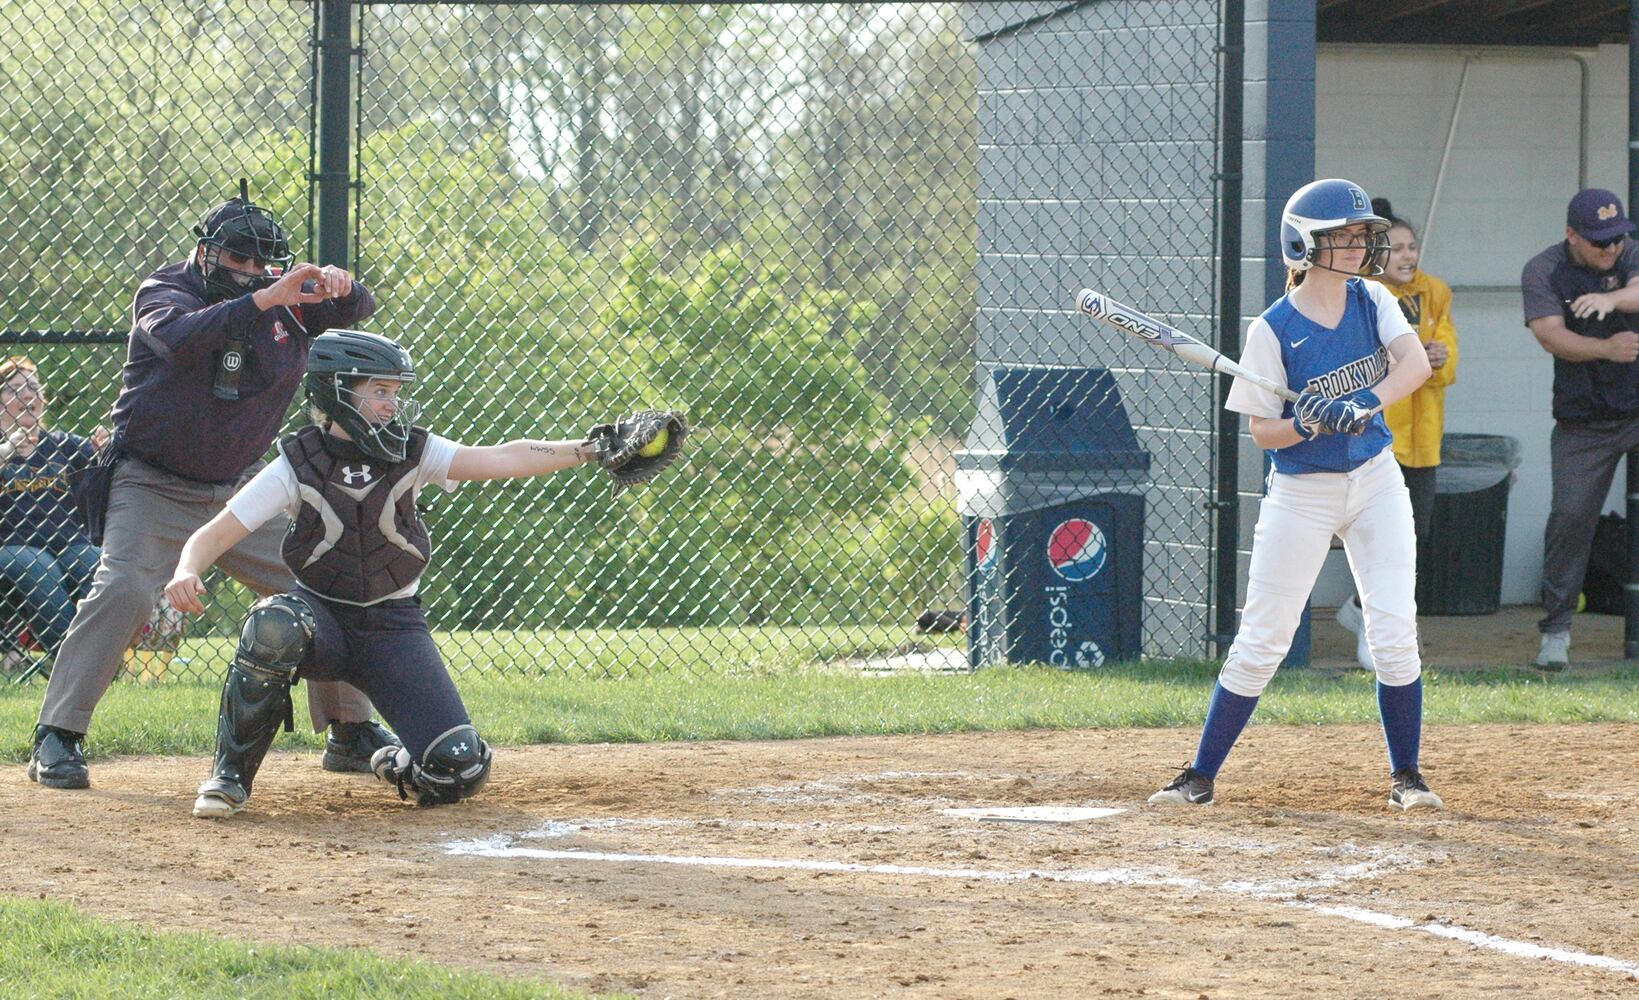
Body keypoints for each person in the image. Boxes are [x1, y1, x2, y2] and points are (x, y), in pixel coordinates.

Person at [28, 182, 398, 790]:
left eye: (262, 262)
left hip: (241, 488)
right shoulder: (167, 290)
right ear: (206, 253)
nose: (252, 272)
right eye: (237, 259)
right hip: (152, 483)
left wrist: (340, 282)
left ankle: (349, 730)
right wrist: (267, 298)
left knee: (334, 576)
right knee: (123, 586)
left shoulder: (282, 302)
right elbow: (178, 337)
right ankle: (57, 736)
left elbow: (359, 309)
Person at [164, 330, 608, 817]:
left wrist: (588, 449)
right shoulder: (298, 462)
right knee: (274, 624)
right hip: (323, 622)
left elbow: (505, 455)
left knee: (459, 766)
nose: (392, 404)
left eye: (395, 392)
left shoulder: (416, 451)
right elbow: (214, 533)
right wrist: (187, 568)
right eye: (379, 391)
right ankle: (228, 779)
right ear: (337, 391)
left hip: (394, 629)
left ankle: (398, 765)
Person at [1148, 178, 1440, 811]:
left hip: (1375, 480)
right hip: (1302, 492)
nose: (1362, 244)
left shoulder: (1374, 300)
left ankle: (1407, 777)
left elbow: (1414, 367)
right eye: (1347, 236)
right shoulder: (1272, 329)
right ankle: (1199, 775)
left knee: (1394, 627)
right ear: (1307, 246)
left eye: (1363, 234)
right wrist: (1307, 421)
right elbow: (1263, 432)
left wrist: (1362, 402)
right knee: (1265, 636)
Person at [1336, 199, 1460, 670]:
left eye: (1413, 247)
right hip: (1378, 436)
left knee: (1414, 536)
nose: (1407, 256)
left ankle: (1370, 615)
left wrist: (1439, 361)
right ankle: (1377, 629)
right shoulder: (1364, 295)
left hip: (1422, 439)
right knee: (1372, 537)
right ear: (1376, 254)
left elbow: (1448, 356)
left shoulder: (1436, 293)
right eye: (1397, 248)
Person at [1522, 188, 1639, 671]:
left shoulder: (1629, 249)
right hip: (1584, 418)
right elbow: (1550, 334)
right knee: (1570, 520)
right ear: (1572, 235)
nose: (1610, 249)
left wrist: (1609, 299)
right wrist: (1606, 349)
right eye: (1598, 242)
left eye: (1615, 240)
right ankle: (1556, 632)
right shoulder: (1544, 268)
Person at [0, 357, 106, 661]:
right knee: (38, 566)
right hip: (11, 546)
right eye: (15, 389)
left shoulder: (61, 444)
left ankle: (100, 660)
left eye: (33, 388)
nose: (28, 395)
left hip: (68, 542)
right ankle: (72, 663)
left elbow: (101, 460)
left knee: (96, 564)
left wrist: (104, 448)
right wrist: (7, 452)